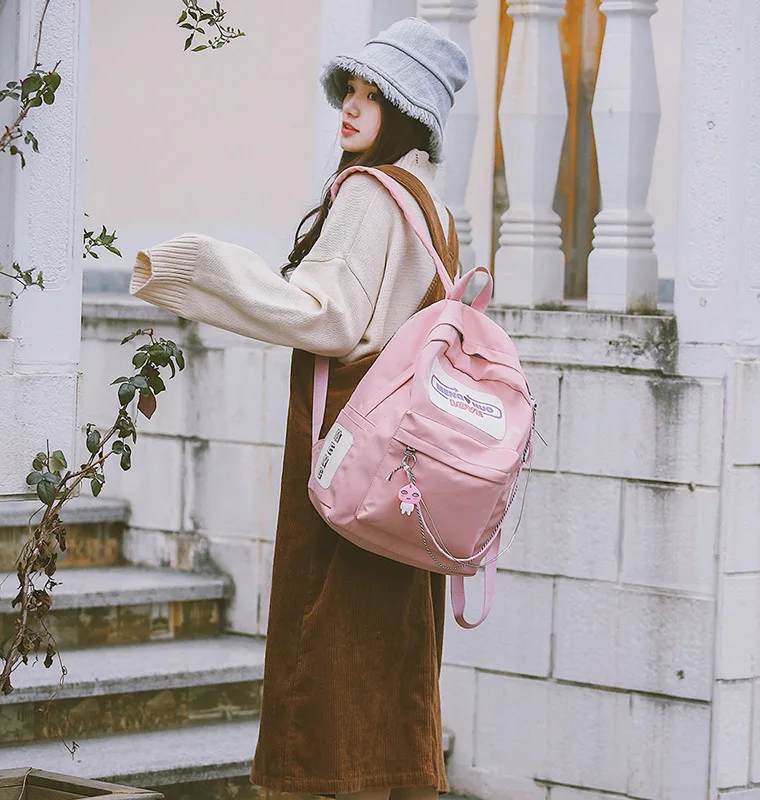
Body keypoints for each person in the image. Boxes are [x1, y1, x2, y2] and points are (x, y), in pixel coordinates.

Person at [130, 17, 468, 800]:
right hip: (407, 478)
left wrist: (196, 267)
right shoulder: (437, 211)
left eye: (372, 95)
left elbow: (326, 314)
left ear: (407, 111)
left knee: (324, 660)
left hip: (348, 461)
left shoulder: (369, 194)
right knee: (390, 664)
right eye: (349, 90)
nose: (349, 107)